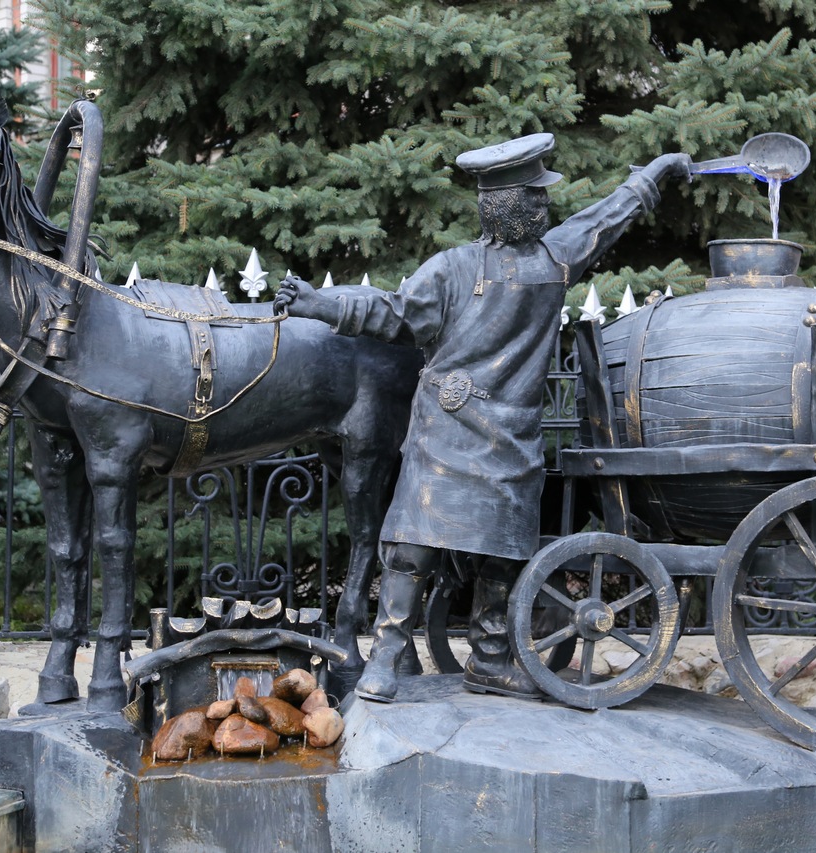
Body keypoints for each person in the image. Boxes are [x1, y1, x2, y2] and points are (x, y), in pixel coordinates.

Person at [274, 133, 689, 702]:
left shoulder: (555, 259)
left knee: (501, 550)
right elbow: (394, 314)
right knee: (411, 546)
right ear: (508, 204)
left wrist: (655, 172)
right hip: (445, 428)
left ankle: (490, 659)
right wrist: (323, 305)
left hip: (510, 435)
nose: (545, 208)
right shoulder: (456, 268)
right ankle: (386, 658)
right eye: (535, 198)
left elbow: (607, 215)